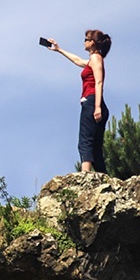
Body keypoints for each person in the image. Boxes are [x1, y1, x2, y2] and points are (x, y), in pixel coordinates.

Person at [42, 30, 112, 173]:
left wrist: (97, 106)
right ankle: (102, 176)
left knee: (85, 141)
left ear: (92, 42)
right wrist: (59, 49)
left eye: (86, 39)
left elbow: (99, 82)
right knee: (96, 146)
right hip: (95, 103)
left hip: (92, 102)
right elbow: (78, 61)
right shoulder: (93, 60)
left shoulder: (96, 59)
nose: (84, 41)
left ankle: (85, 175)